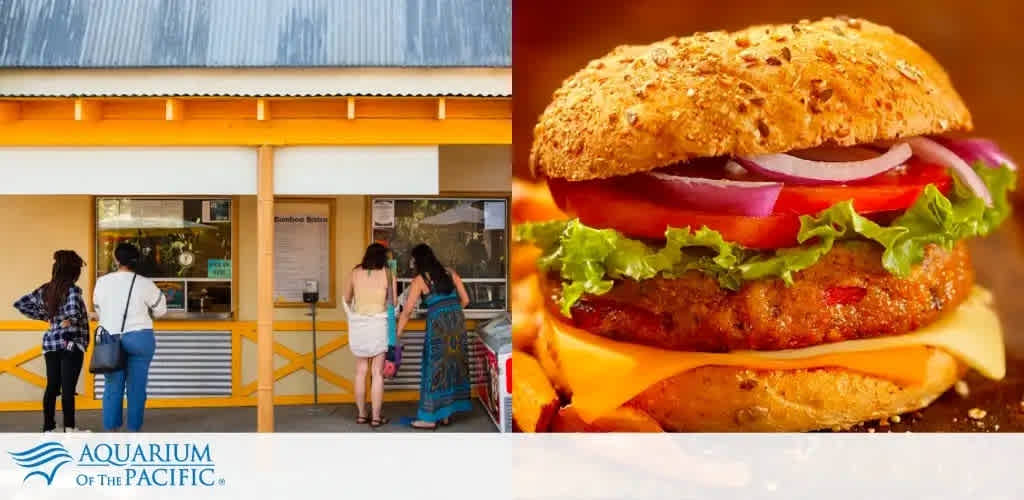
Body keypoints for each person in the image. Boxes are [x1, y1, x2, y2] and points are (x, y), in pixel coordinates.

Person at [396, 243, 472, 430]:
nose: (411, 263)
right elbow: (466, 300)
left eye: (413, 260)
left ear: (418, 260)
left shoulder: (420, 280)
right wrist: (451, 312)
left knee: (434, 369)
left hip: (438, 328)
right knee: (452, 367)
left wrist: (396, 336)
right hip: (457, 326)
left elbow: (406, 312)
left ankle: (429, 419)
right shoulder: (449, 273)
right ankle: (445, 415)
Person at [13, 250, 89, 432]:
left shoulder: (45, 289)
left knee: (52, 386)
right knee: (68, 389)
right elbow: (73, 312)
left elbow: (21, 304)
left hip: (51, 343)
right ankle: (69, 428)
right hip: (70, 343)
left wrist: (44, 316)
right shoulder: (72, 289)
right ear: (72, 272)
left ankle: (49, 428)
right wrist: (71, 319)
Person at [93, 243, 167, 432]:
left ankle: (111, 430)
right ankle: (133, 430)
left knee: (112, 387)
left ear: (116, 260)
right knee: (137, 388)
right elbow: (161, 310)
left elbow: (99, 309)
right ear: (136, 261)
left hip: (110, 339)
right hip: (140, 338)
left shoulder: (102, 282)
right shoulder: (145, 283)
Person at [344, 243, 396, 428]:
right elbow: (393, 301)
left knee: (360, 371)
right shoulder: (388, 272)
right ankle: (375, 417)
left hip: (359, 324)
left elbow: (347, 298)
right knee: (377, 373)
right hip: (378, 324)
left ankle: (361, 415)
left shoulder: (355, 272)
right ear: (383, 257)